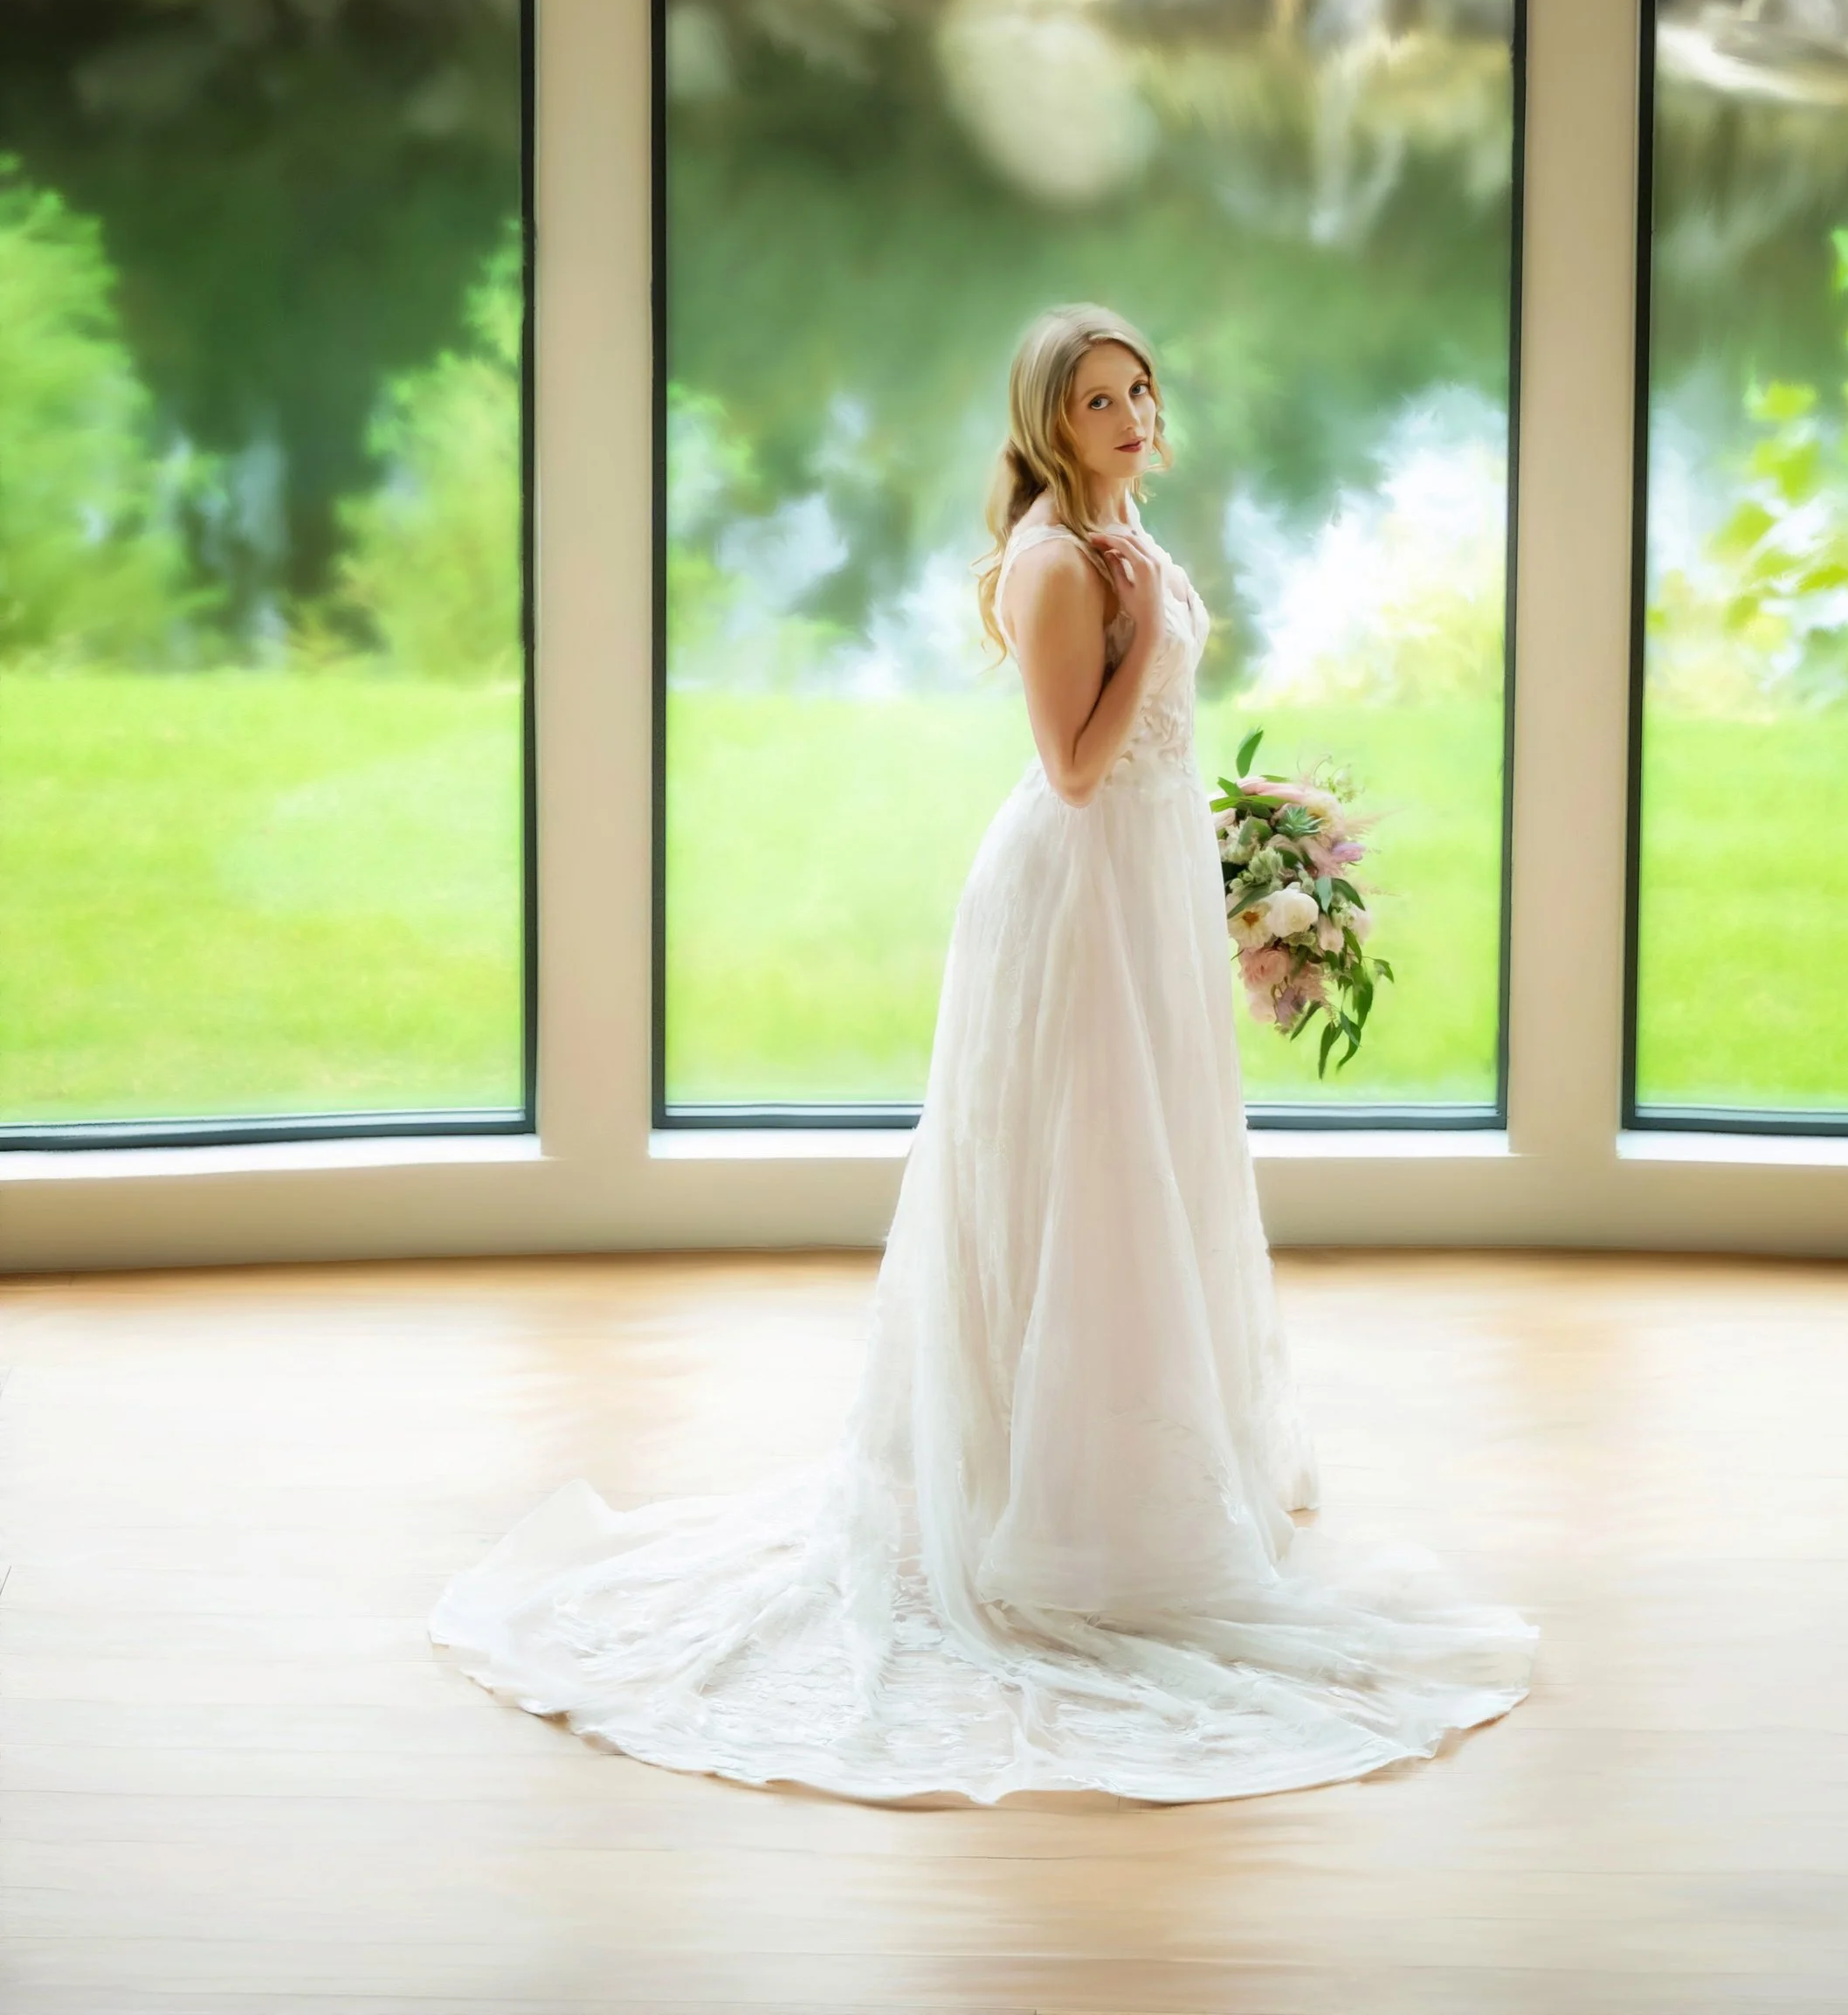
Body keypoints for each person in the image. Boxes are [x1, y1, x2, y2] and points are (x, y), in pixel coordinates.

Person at [431, 303, 1534, 1801]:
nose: (1136, 415)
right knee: (1086, 1180)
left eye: (1144, 389)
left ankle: (1163, 1479)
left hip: (1141, 890)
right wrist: (1139, 634)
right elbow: (1075, 768)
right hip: (1071, 903)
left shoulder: (1128, 531)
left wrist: (1244, 847)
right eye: (1101, 400)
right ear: (1047, 422)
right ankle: (1058, 1509)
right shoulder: (1055, 561)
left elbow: (1146, 759)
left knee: (1156, 1171)